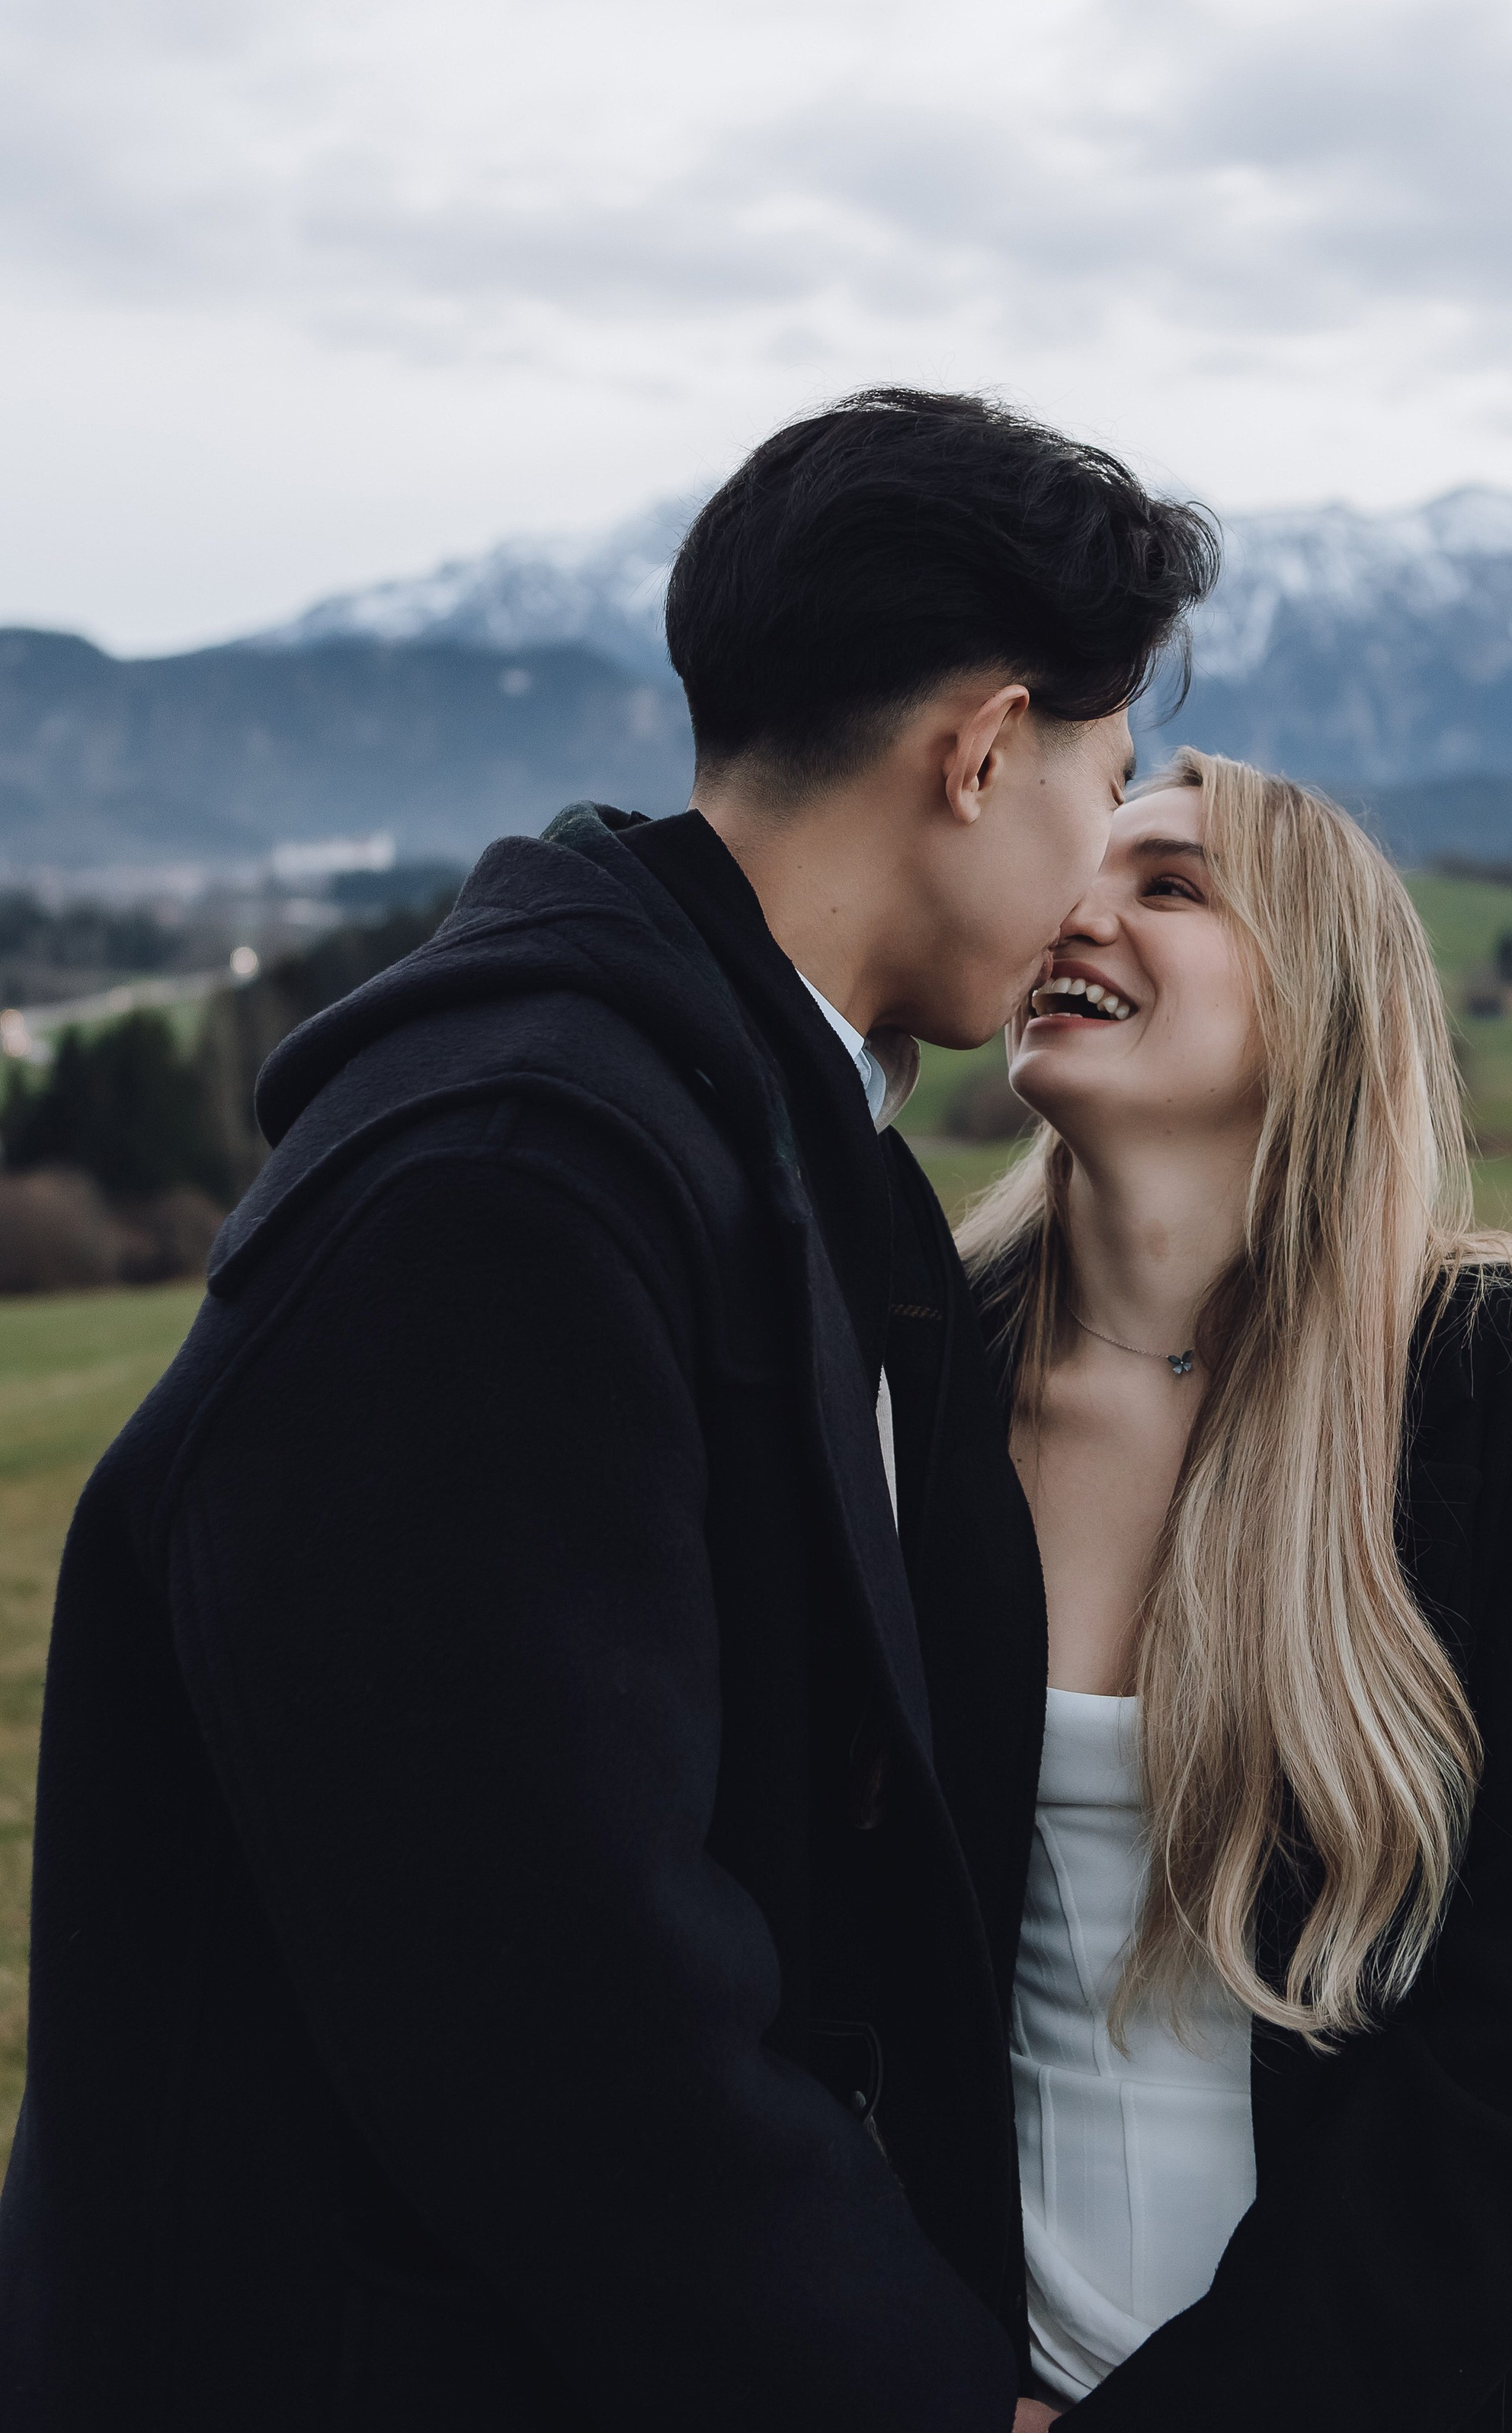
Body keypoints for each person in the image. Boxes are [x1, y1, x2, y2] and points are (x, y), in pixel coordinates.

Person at [0, 389, 1218, 2430]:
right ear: (986, 747)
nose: (1099, 867)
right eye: (1105, 780)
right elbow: (550, 2005)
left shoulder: (718, 1127)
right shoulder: (510, 1187)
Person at [959, 753, 1512, 2430]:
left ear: (1321, 1000)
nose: (1074, 905)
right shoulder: (911, 1384)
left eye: (1168, 884)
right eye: (1080, 862)